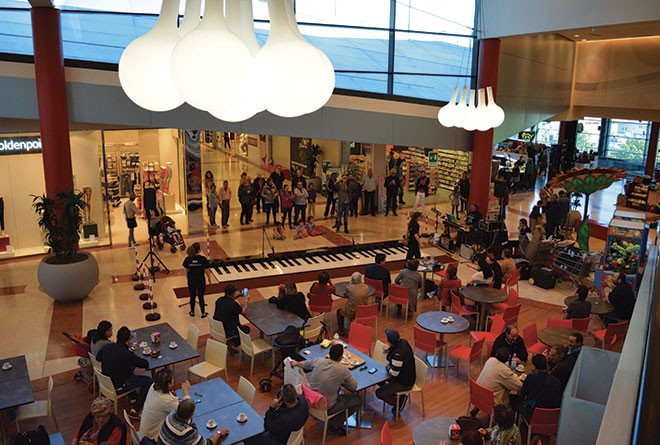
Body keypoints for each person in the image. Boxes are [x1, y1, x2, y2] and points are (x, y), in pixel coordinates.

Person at [290, 344, 362, 436]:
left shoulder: (318, 361)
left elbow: (304, 364)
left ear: (329, 353)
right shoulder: (343, 370)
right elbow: (354, 387)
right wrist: (342, 381)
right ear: (340, 357)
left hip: (312, 401)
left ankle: (334, 420)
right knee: (358, 400)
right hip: (328, 406)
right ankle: (336, 425)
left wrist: (295, 363)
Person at [96, 326, 152, 416]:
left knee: (129, 372)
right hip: (118, 385)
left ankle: (133, 397)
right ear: (128, 340)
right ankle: (136, 409)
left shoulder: (108, 346)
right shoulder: (125, 354)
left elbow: (98, 357)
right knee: (148, 381)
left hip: (106, 382)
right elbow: (143, 364)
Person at [139, 370, 191, 440]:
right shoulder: (166, 401)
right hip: (153, 438)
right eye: (172, 379)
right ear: (169, 384)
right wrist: (186, 392)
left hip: (145, 432)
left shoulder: (153, 387)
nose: (174, 380)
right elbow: (184, 411)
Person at [511, 354, 561, 423]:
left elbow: (522, 395)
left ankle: (516, 423)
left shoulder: (531, 378)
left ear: (534, 366)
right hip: (551, 416)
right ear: (546, 364)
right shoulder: (556, 381)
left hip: (533, 414)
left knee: (514, 400)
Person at [375, 329, 416, 413]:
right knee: (376, 378)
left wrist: (388, 367)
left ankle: (398, 402)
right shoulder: (403, 342)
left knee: (379, 393)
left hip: (404, 382)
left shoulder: (398, 355)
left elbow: (394, 374)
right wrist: (390, 348)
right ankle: (395, 394)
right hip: (404, 376)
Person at [158, 399, 228, 445]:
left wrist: (194, 431)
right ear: (192, 414)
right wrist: (218, 433)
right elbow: (207, 444)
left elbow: (190, 422)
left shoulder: (172, 414)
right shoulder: (184, 431)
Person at [183, 242, 210, 318]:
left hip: (191, 280)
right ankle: (203, 313)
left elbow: (186, 270)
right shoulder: (203, 259)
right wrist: (209, 279)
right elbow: (207, 270)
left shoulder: (188, 259)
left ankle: (192, 312)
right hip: (200, 280)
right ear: (199, 250)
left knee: (192, 296)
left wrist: (187, 279)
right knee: (201, 296)